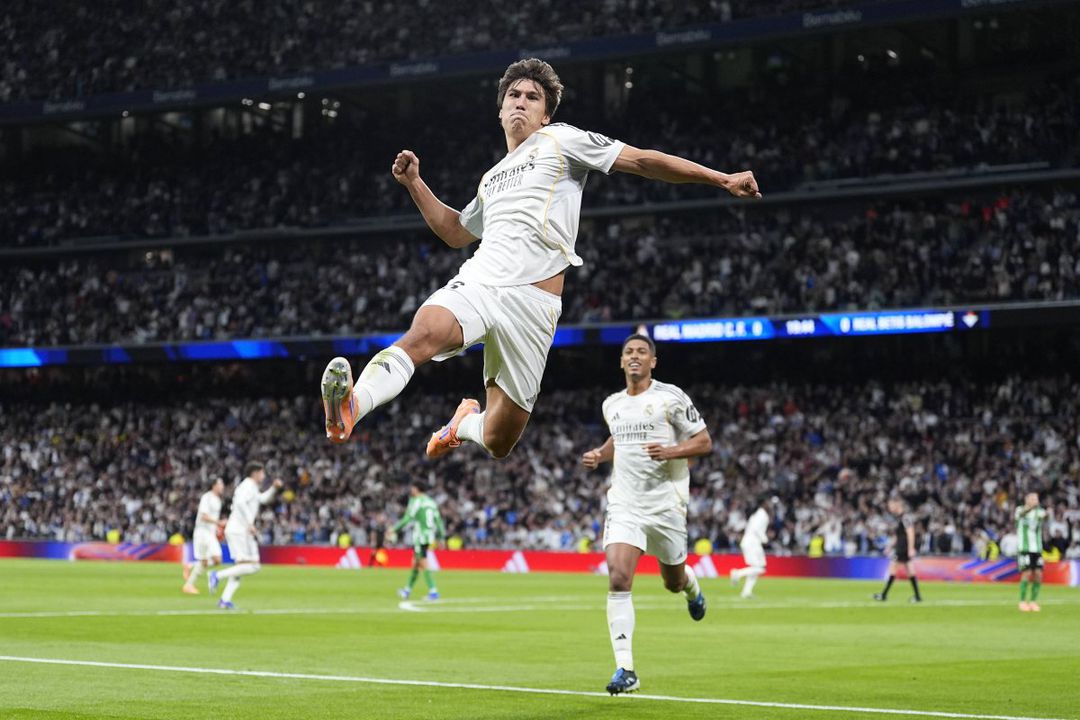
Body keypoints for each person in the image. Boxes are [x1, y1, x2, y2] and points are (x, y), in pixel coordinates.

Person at [320, 57, 760, 460]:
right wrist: (416, 184)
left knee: (499, 439)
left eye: (532, 97)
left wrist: (721, 179)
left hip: (534, 306)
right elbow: (455, 232)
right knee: (425, 331)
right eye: (514, 95)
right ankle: (354, 404)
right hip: (481, 282)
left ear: (545, 114)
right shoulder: (491, 179)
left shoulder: (562, 140)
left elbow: (642, 161)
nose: (521, 102)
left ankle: (462, 424)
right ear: (500, 110)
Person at [580, 334, 712, 695]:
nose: (634, 356)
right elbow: (618, 439)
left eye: (642, 352)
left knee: (673, 582)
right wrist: (600, 454)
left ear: (653, 361)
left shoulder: (670, 398)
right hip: (625, 504)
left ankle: (691, 588)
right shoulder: (612, 404)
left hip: (666, 505)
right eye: (629, 352)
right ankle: (626, 669)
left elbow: (704, 441)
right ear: (621, 362)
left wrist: (671, 451)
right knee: (619, 577)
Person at [209, 462, 282, 610]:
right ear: (255, 473)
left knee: (244, 567)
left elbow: (262, 499)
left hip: (243, 531)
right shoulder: (247, 486)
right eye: (262, 472)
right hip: (239, 530)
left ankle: (224, 600)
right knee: (252, 566)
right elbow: (240, 503)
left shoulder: (252, 487)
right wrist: (250, 522)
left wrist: (274, 488)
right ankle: (216, 575)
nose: (264, 475)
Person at [392, 482, 446, 601]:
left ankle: (433, 591)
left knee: (422, 562)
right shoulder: (431, 502)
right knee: (416, 563)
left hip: (420, 536)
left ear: (417, 489)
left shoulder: (416, 501)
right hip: (429, 536)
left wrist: (394, 529)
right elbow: (438, 520)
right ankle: (407, 590)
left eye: (413, 488)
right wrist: (442, 537)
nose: (411, 490)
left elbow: (407, 518)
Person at [873, 497, 922, 603]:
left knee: (893, 568)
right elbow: (898, 536)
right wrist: (889, 546)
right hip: (901, 547)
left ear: (897, 504)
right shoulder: (899, 518)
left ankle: (884, 595)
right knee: (910, 571)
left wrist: (911, 548)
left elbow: (910, 532)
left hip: (903, 548)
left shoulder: (905, 517)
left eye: (891, 505)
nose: (890, 507)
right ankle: (917, 596)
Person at [182, 478, 225, 595]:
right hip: (202, 532)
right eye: (220, 484)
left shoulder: (218, 500)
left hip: (210, 533)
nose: (222, 486)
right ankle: (188, 585)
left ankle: (190, 567)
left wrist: (217, 529)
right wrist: (219, 523)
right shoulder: (207, 497)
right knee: (212, 560)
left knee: (212, 561)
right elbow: (203, 516)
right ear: (214, 485)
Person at [730, 496, 770, 599]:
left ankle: (746, 592)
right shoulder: (762, 514)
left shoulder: (757, 514)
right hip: (753, 543)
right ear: (764, 503)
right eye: (768, 502)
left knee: (756, 568)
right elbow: (756, 529)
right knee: (760, 568)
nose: (769, 505)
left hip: (751, 542)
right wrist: (765, 539)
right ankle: (738, 573)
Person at [1016, 492, 1048, 612]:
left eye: (1036, 499)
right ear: (1027, 500)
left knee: (1038, 574)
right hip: (1024, 548)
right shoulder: (1019, 510)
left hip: (1037, 548)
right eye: (1033, 499)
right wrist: (1030, 508)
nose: (1036, 501)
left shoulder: (1039, 512)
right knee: (1027, 573)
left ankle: (1033, 601)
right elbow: (1021, 514)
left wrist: (1048, 514)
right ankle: (1022, 601)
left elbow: (1045, 516)